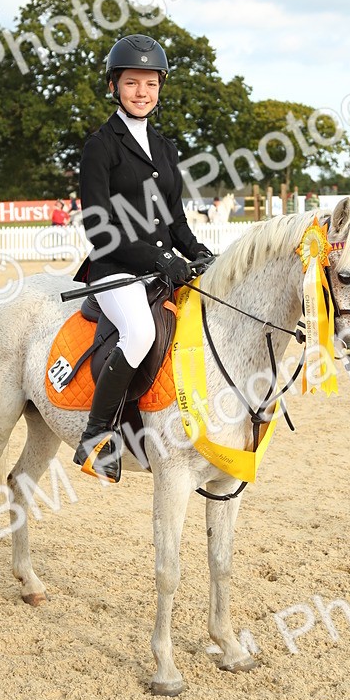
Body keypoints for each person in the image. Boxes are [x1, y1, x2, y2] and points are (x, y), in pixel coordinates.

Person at [72, 34, 214, 483]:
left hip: (160, 269)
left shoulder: (165, 146)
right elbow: (99, 228)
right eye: (132, 83)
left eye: (150, 84)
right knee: (138, 334)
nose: (142, 93)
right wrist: (158, 258)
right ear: (114, 86)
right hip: (115, 269)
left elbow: (175, 218)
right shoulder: (101, 146)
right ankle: (96, 437)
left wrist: (198, 252)